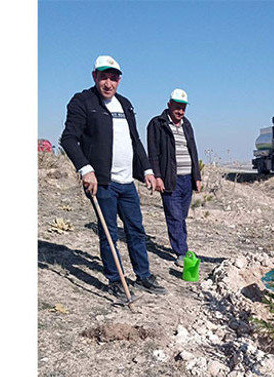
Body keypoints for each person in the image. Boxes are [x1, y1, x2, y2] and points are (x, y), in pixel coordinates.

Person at [59, 55, 166, 297]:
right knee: (109, 233)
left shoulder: (125, 104)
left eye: (113, 78)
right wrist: (85, 169)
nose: (108, 83)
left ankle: (143, 275)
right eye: (103, 77)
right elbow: (68, 138)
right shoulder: (83, 101)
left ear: (119, 80)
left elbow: (134, 140)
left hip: (127, 182)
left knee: (136, 230)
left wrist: (147, 169)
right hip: (102, 182)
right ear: (94, 76)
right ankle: (116, 279)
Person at [146, 88, 202, 267]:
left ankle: (180, 245)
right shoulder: (157, 123)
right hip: (170, 179)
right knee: (175, 216)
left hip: (187, 179)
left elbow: (193, 150)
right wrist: (158, 177)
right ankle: (181, 252)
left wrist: (197, 177)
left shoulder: (187, 124)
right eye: (177, 107)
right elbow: (153, 153)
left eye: (183, 108)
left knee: (181, 215)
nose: (180, 111)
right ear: (169, 105)